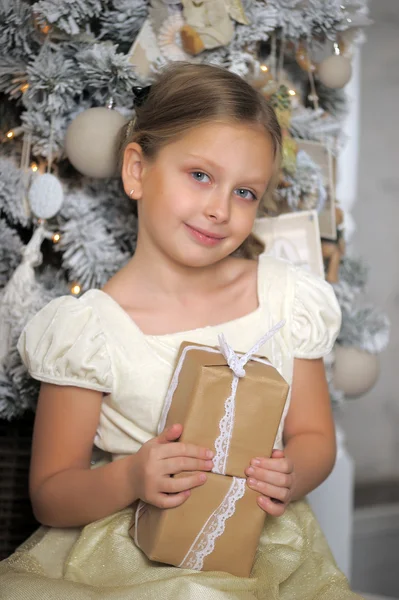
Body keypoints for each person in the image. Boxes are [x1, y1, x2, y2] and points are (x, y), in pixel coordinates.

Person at [0, 62, 362, 599]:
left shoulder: (286, 298)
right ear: (137, 170)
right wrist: (130, 478)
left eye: (245, 193)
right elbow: (52, 494)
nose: (219, 209)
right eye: (200, 176)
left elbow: (313, 437)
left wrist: (292, 474)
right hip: (129, 560)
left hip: (260, 551)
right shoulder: (90, 331)